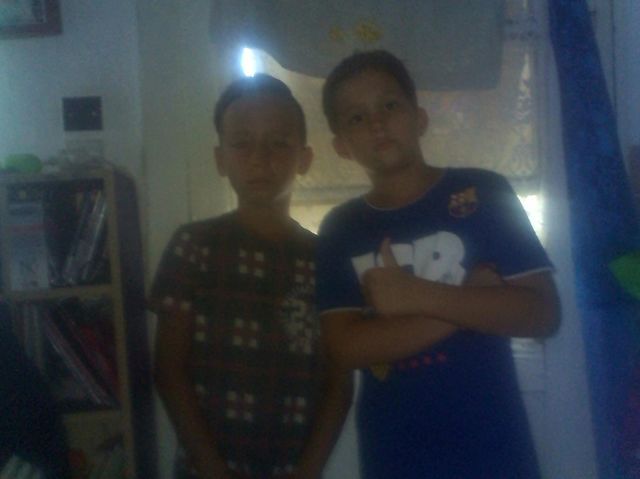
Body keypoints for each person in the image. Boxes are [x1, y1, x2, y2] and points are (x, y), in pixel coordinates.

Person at [316, 50, 561, 479]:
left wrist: (418, 297)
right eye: (356, 117)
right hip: (396, 456)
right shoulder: (341, 228)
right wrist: (465, 301)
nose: (376, 123)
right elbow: (346, 348)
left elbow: (542, 315)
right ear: (341, 146)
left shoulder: (485, 192)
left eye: (389, 105)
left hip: (494, 451)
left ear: (419, 118)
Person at [150, 74, 352, 479]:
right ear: (220, 159)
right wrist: (213, 470)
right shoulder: (194, 246)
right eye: (242, 143)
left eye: (279, 142)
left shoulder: (327, 260)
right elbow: (168, 371)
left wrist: (308, 471)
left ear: (304, 158)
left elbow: (339, 382)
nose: (260, 158)